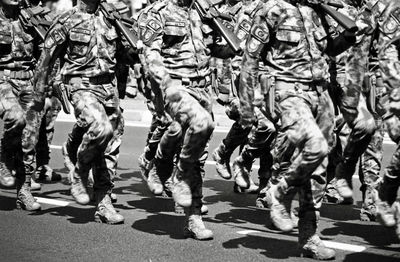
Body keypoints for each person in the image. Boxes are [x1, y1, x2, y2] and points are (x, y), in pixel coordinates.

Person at [239, 0, 356, 259]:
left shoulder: (318, 10)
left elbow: (329, 48)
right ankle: (280, 192)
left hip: (321, 92)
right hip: (288, 90)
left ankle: (309, 237)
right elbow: (249, 59)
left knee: (320, 169)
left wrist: (348, 37)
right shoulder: (273, 9)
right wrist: (247, 108)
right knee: (316, 145)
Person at [33, 0, 138, 224]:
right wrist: (38, 96)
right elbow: (46, 59)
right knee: (100, 127)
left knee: (110, 146)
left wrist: (137, 48)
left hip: (108, 88)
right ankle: (80, 172)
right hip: (80, 85)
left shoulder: (113, 18)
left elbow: (126, 56)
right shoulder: (66, 19)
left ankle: (104, 202)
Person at [140, 0, 236, 240]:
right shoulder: (157, 13)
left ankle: (193, 218)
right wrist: (166, 85)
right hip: (175, 87)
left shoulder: (202, 12)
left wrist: (234, 41)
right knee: (202, 124)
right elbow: (150, 56)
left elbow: (216, 49)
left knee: (197, 157)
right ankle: (169, 169)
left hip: (203, 89)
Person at [0, 0, 47, 210]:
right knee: (15, 118)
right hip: (2, 79)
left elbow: (44, 51)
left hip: (28, 82)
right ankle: (4, 158)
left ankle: (24, 191)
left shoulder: (30, 17)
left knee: (29, 139)